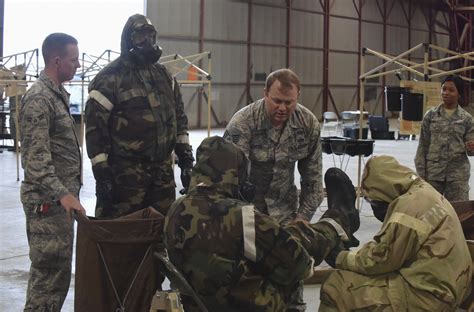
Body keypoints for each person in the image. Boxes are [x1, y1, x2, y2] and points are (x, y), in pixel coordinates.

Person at [164, 136, 360, 312]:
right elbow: (300, 267)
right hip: (250, 305)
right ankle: (338, 222)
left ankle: (335, 231)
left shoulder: (175, 209)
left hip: (201, 303)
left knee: (278, 235)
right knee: (295, 241)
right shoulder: (242, 216)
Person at [224, 68, 323, 310]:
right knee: (249, 285)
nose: (282, 108)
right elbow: (227, 182)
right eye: (276, 101)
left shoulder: (307, 123)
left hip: (287, 215)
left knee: (292, 277)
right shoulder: (243, 123)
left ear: (298, 96)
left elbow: (313, 182)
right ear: (265, 93)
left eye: (289, 102)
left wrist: (302, 219)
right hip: (248, 215)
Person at [319, 155, 472, 311]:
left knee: (336, 285)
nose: (374, 206)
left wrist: (341, 257)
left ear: (385, 189)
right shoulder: (424, 192)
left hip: (427, 297)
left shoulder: (407, 210)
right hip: (448, 287)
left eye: (373, 200)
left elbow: (380, 260)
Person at [85, 14, 194, 218]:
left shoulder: (165, 76)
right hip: (125, 179)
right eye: (141, 36)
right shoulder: (109, 78)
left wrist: (186, 161)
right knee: (124, 236)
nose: (148, 42)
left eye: (151, 35)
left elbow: (179, 120)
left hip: (162, 174)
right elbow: (95, 132)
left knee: (161, 232)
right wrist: (102, 176)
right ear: (128, 40)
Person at [19, 33, 86, 311]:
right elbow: (35, 161)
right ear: (57, 61)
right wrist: (63, 195)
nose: (78, 65)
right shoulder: (39, 98)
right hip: (47, 206)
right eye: (73, 60)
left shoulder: (55, 95)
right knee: (46, 283)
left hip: (58, 207)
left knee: (56, 280)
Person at [415, 74, 474, 201]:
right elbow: (422, 147)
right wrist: (421, 175)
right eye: (444, 89)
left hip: (457, 177)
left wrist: (472, 147)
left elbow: (471, 151)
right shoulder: (430, 116)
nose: (446, 93)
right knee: (430, 212)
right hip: (433, 175)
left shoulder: (467, 119)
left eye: (451, 90)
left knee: (460, 214)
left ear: (459, 94)